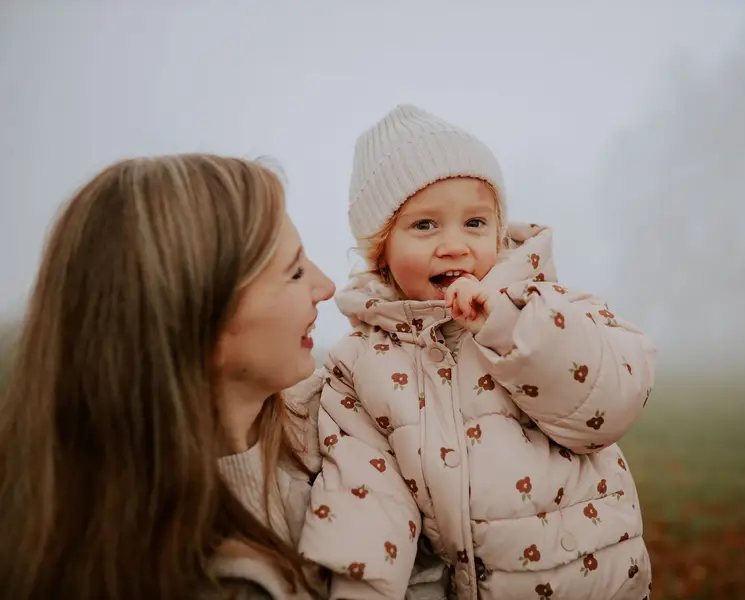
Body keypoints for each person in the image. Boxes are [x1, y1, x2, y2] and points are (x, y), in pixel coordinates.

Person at [298, 104, 658, 600]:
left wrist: (508, 326)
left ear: (497, 229)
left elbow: (608, 407)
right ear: (381, 248)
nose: (453, 245)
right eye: (424, 225)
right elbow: (365, 502)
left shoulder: (545, 306)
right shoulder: (361, 364)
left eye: (474, 222)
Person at [0, 154, 336, 600]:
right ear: (200, 320)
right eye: (294, 272)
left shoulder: (335, 432)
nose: (326, 286)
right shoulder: (217, 585)